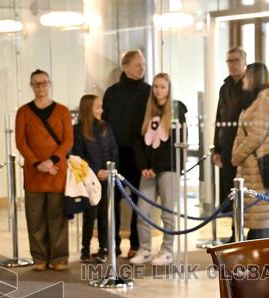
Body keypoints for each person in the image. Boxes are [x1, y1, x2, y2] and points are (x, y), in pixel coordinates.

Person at [15, 69, 74, 271]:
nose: (41, 86)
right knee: (35, 217)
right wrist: (37, 163)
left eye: (44, 82)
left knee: (57, 216)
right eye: (36, 83)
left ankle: (59, 258)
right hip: (34, 173)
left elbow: (68, 141)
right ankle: (39, 257)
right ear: (31, 86)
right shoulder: (23, 112)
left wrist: (52, 161)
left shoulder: (63, 111)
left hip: (57, 171)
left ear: (50, 84)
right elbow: (21, 142)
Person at [130, 73, 187, 266]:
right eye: (155, 86)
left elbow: (174, 145)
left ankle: (167, 250)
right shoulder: (145, 111)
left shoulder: (176, 111)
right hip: (147, 171)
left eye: (162, 87)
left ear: (169, 89)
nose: (158, 90)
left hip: (167, 169)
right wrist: (144, 167)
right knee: (142, 211)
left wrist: (156, 167)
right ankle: (145, 249)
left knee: (168, 212)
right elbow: (138, 142)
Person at [102, 49, 151, 258]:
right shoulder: (112, 93)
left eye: (144, 64)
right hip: (115, 153)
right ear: (126, 66)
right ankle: (112, 244)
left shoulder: (149, 91)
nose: (143, 68)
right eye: (138, 64)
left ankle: (136, 244)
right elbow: (104, 123)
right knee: (112, 200)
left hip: (139, 154)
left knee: (138, 200)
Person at [231, 63, 269, 241]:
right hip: (251, 168)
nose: (244, 79)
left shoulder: (264, 101)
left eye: (247, 76)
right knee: (257, 222)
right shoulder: (258, 99)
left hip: (258, 167)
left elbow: (256, 136)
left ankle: (256, 266)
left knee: (260, 222)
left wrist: (237, 156)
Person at [212, 46, 254, 240]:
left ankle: (251, 231)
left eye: (236, 60)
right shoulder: (224, 87)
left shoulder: (251, 85)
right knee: (231, 191)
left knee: (247, 193)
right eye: (229, 61)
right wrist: (216, 148)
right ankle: (235, 232)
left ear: (244, 61)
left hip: (246, 148)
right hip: (227, 147)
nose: (232, 64)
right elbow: (219, 118)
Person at [72, 93, 118, 263]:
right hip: (89, 181)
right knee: (89, 216)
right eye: (98, 107)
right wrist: (94, 172)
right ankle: (85, 249)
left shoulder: (106, 127)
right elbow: (78, 156)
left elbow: (114, 151)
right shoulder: (77, 130)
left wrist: (109, 170)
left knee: (104, 215)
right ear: (87, 109)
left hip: (106, 179)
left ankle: (104, 248)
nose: (101, 110)